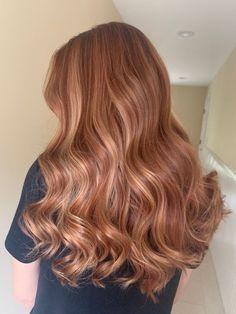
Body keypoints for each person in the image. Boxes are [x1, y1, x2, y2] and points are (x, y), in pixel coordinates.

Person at [4, 21, 231, 314]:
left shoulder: (52, 174)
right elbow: (174, 294)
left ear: (79, 104)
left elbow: (24, 294)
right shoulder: (187, 180)